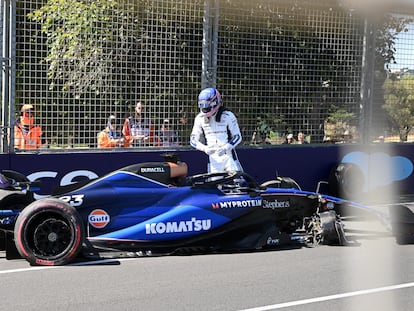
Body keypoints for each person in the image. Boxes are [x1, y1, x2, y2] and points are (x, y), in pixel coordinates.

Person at [190, 87, 242, 173]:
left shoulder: (228, 116)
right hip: (213, 158)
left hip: (228, 155)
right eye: (202, 105)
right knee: (214, 183)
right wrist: (205, 148)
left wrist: (226, 148)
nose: (205, 109)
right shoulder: (199, 118)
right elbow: (192, 140)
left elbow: (237, 137)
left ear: (215, 102)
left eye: (207, 105)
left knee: (238, 181)